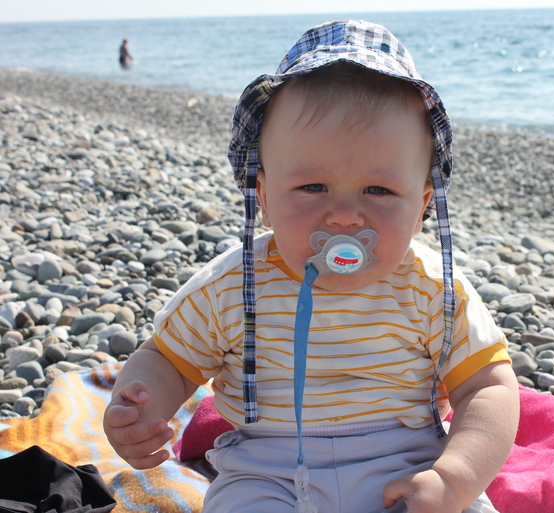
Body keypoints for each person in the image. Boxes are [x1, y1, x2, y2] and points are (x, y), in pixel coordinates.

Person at [103, 20, 520, 513]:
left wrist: (454, 479)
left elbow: (487, 387)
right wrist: (142, 406)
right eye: (312, 187)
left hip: (410, 465)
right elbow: (168, 359)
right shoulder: (233, 287)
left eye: (379, 190)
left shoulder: (434, 289)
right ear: (263, 195)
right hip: (268, 471)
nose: (345, 215)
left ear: (422, 204)